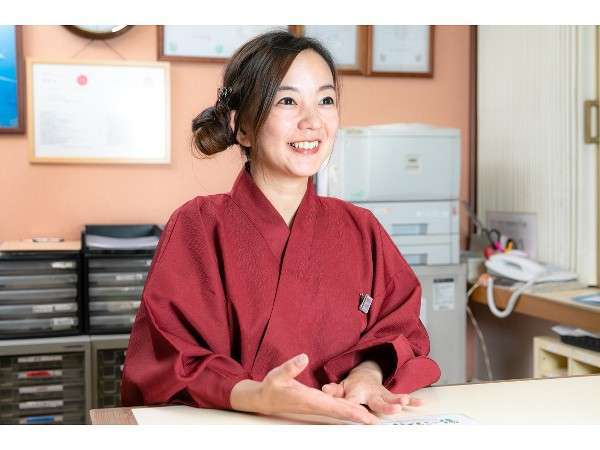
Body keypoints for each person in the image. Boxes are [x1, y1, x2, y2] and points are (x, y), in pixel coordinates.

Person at [121, 30, 440, 425]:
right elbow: (168, 356)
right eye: (287, 101)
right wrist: (255, 396)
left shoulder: (361, 228)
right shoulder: (199, 226)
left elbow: (402, 329)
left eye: (325, 100)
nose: (312, 121)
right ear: (243, 128)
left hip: (347, 429)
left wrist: (367, 372)